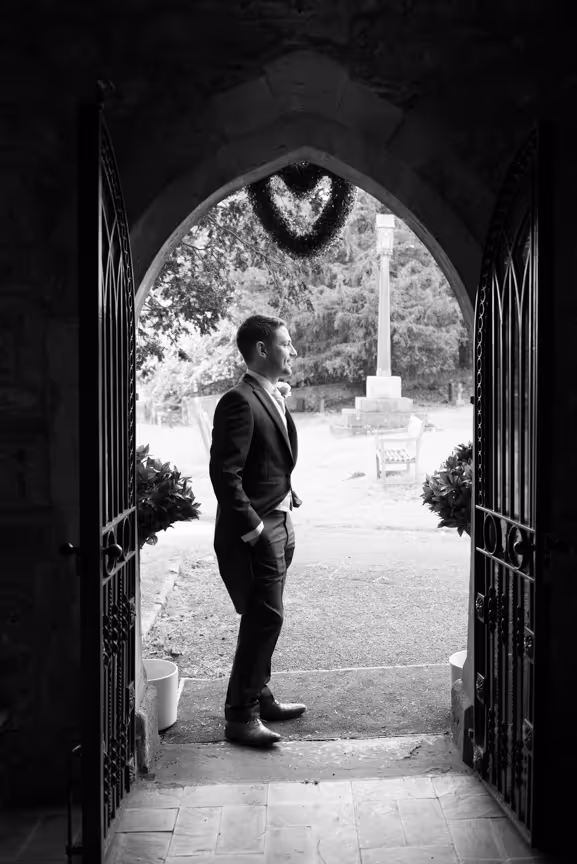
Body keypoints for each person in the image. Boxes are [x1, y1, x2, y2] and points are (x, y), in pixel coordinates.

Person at [209, 314, 306, 747]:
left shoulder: (268, 395)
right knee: (265, 617)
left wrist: (288, 497)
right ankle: (240, 715)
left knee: (264, 618)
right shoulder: (238, 400)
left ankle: (259, 693)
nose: (294, 351)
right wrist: (254, 531)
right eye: (286, 343)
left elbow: (269, 460)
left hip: (280, 520)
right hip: (257, 530)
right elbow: (225, 475)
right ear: (263, 349)